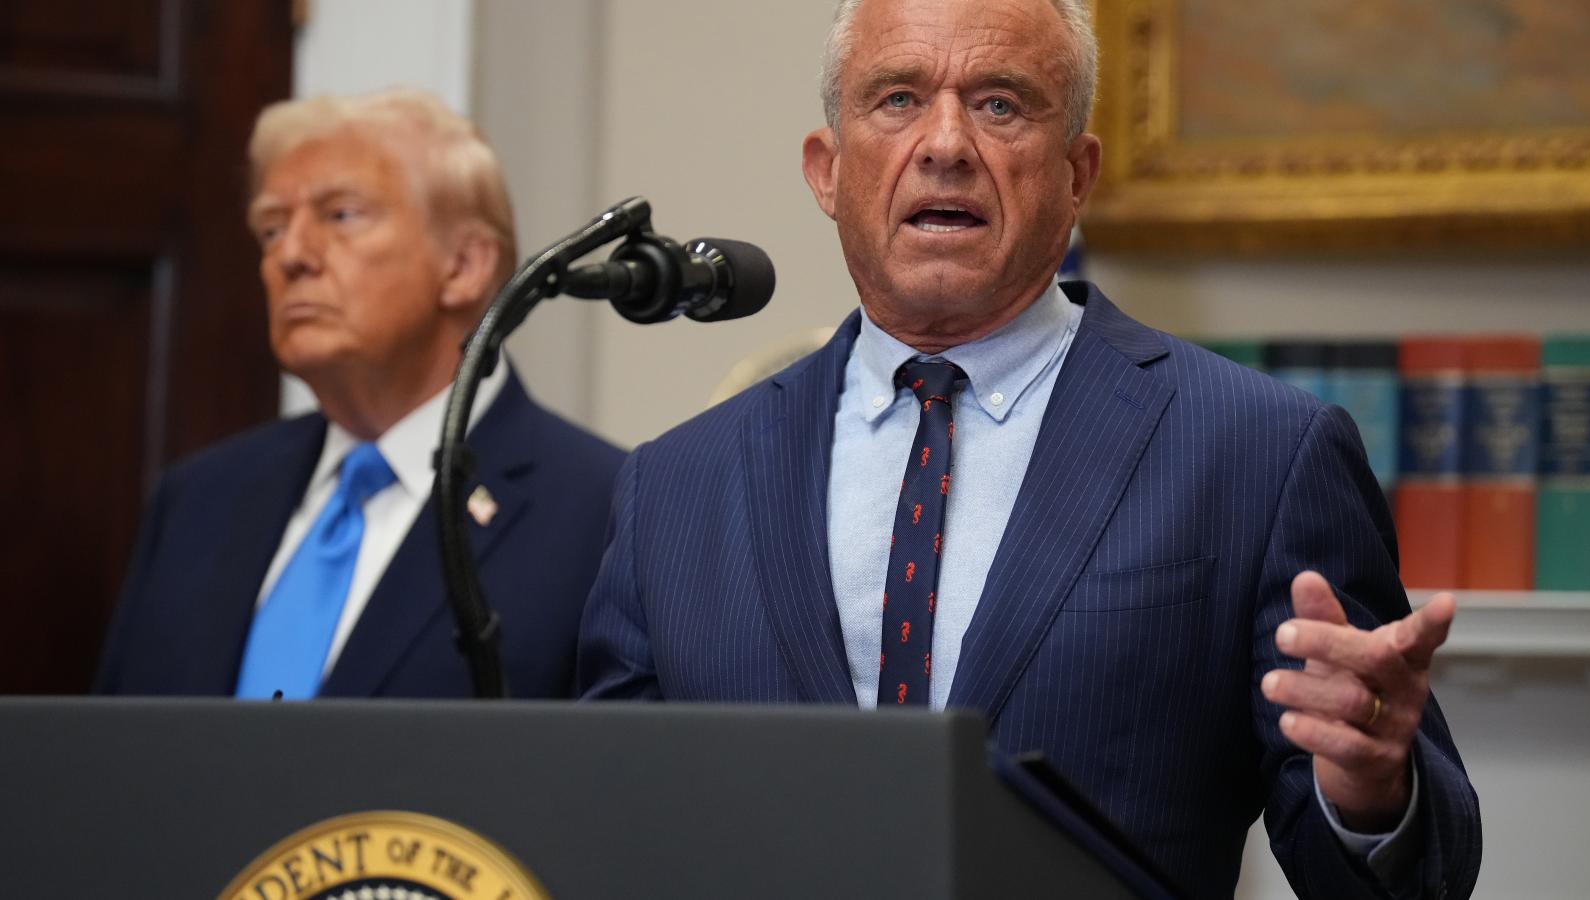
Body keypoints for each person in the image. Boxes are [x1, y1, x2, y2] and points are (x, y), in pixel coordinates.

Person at [576, 1, 1481, 896]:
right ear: (826, 168)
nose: (945, 144)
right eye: (896, 99)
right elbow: (601, 827)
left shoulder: (1258, 453)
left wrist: (1369, 792)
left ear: (1078, 172)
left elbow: (1411, 876)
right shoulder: (674, 486)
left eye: (1001, 103)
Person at [98, 89, 623, 699]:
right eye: (271, 229)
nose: (289, 256)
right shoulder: (198, 500)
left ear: (464, 266)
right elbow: (111, 770)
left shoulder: (604, 512)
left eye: (340, 215)